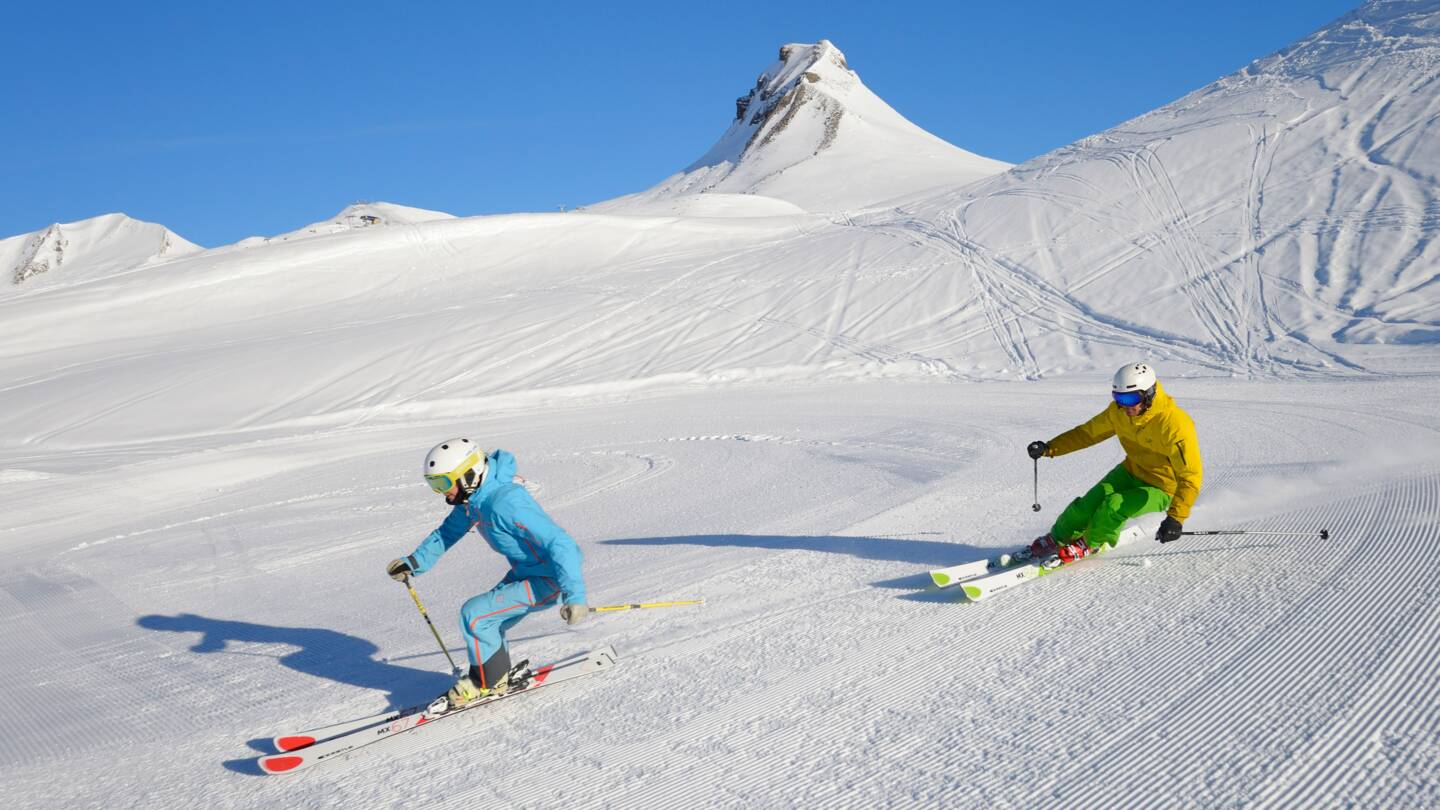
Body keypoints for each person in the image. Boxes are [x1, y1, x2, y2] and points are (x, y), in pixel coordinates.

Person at [387, 438, 588, 709]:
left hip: (550, 578)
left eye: (444, 484)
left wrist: (575, 596)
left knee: (476, 615)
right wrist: (413, 562)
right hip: (526, 572)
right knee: (488, 621)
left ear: (469, 475)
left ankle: (486, 682)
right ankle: (495, 676)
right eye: (434, 485)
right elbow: (447, 533)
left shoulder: (506, 502)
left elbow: (561, 544)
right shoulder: (474, 501)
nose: (441, 493)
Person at [1025, 362, 1202, 564]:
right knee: (1088, 504)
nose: (1125, 406)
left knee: (1113, 505)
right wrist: (1049, 447)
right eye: (1119, 398)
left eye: (1130, 399)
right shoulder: (1119, 412)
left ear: (1149, 394)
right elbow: (1087, 434)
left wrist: (1176, 518)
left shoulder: (1175, 425)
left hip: (1163, 487)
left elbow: (1190, 477)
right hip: (1131, 470)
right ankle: (1057, 537)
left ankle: (1091, 542)